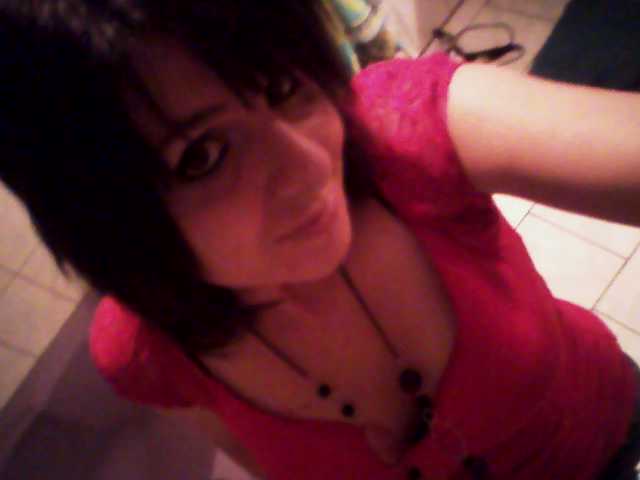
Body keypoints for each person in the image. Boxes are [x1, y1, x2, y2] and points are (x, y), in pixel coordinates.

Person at [1, 1, 640, 479]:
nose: (309, 164)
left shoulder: (406, 134)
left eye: (284, 87)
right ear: (106, 218)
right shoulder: (145, 355)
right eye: (202, 156)